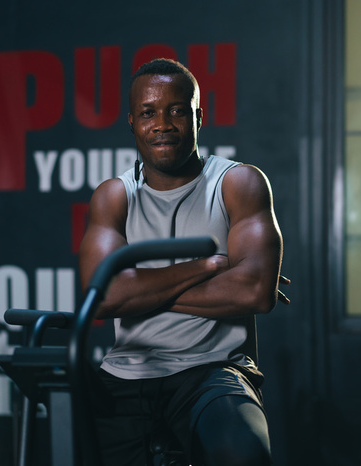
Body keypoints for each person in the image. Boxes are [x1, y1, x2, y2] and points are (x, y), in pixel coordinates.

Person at [78, 58, 288, 466]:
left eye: (177, 110)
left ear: (198, 116)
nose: (163, 123)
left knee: (244, 455)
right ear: (132, 122)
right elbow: (103, 297)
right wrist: (210, 266)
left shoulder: (238, 183)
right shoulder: (113, 196)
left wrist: (137, 290)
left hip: (213, 371)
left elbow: (255, 292)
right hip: (126, 372)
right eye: (148, 113)